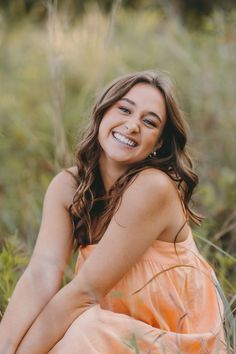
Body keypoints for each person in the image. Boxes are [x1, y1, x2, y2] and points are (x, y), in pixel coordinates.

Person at [0, 71, 227, 354]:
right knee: (73, 328)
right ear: (103, 113)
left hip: (177, 336)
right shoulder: (67, 187)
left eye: (149, 122)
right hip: (114, 326)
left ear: (158, 143)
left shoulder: (152, 187)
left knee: (81, 329)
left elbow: (85, 293)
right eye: (124, 109)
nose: (132, 125)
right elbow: (41, 275)